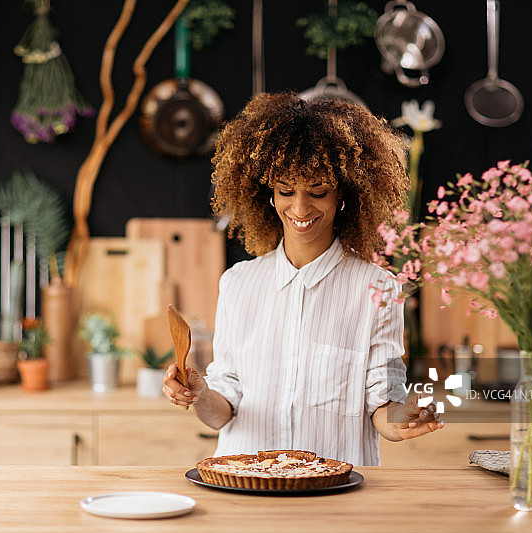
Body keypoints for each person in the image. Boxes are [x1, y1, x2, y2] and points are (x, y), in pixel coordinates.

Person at [162, 92, 443, 466]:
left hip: (334, 499)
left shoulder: (377, 289)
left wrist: (404, 418)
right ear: (267, 193)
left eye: (317, 191)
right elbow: (223, 410)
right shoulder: (238, 284)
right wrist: (199, 392)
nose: (299, 208)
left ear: (343, 193)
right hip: (248, 489)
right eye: (285, 190)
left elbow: (382, 405)